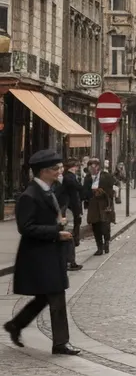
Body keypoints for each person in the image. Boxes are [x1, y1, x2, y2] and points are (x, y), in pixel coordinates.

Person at [3, 150, 81, 355]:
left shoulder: (49, 190)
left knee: (44, 297)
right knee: (56, 296)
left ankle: (15, 325)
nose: (59, 172)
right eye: (56, 169)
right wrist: (56, 231)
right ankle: (60, 343)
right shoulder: (30, 195)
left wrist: (59, 225)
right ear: (43, 171)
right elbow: (26, 227)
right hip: (38, 256)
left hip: (49, 253)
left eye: (60, 168)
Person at [84, 158, 116, 256]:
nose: (90, 168)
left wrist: (104, 193)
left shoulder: (106, 176)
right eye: (89, 166)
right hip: (93, 204)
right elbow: (85, 191)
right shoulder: (88, 178)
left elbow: (113, 188)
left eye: (92, 166)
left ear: (97, 167)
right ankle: (99, 247)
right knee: (95, 226)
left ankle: (106, 243)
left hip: (104, 204)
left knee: (105, 225)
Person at [56, 159, 85, 272]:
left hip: (69, 208)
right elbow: (78, 188)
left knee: (70, 237)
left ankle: (70, 261)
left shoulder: (65, 178)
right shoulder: (68, 178)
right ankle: (69, 262)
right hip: (68, 209)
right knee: (69, 236)